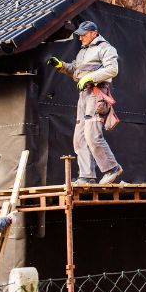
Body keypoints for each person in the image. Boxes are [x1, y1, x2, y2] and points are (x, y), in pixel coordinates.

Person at [46, 21, 123, 185]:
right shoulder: (83, 52)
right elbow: (75, 71)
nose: (80, 37)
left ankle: (112, 168)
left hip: (97, 94)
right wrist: (60, 66)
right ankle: (87, 176)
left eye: (83, 34)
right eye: (79, 34)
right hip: (83, 96)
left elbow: (112, 69)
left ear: (94, 33)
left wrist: (90, 77)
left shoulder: (105, 48)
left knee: (92, 135)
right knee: (79, 138)